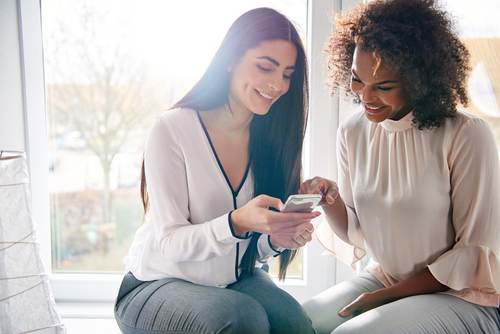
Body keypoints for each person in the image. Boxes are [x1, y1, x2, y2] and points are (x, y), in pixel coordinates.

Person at [114, 7, 318, 334]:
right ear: (231, 59)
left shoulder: (270, 139)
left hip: (230, 279)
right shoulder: (172, 128)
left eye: (287, 74)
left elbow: (247, 250)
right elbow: (170, 242)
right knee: (241, 319)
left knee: (292, 322)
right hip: (156, 282)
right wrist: (236, 222)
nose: (277, 84)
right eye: (265, 67)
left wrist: (276, 239)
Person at [300, 0, 500, 333]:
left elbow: (472, 254)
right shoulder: (352, 131)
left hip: (463, 295)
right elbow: (355, 229)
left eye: (383, 86)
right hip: (385, 279)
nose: (366, 97)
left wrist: (383, 298)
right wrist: (330, 199)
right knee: (294, 323)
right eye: (357, 80)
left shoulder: (465, 134)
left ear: (418, 79)